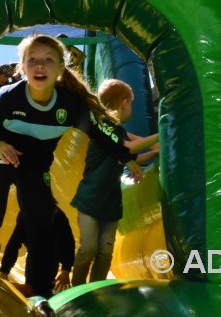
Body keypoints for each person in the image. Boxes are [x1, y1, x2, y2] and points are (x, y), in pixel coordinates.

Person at [0, 34, 142, 298]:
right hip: (4, 149)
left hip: (36, 163)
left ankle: (40, 287)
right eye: (33, 60)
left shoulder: (69, 106)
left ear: (61, 68)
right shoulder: (9, 97)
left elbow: (99, 132)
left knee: (41, 220)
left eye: (48, 60)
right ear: (23, 68)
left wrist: (125, 156)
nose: (40, 65)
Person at [70, 79, 159, 285]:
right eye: (132, 105)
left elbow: (131, 153)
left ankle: (96, 290)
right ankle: (77, 290)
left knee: (105, 252)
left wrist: (156, 150)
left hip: (110, 201)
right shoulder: (102, 126)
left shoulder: (117, 130)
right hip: (90, 199)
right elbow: (128, 148)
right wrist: (160, 133)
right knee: (89, 248)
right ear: (125, 102)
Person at [0, 206, 75, 296]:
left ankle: (5, 289)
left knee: (38, 291)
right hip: (35, 250)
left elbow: (68, 243)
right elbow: (14, 243)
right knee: (33, 290)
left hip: (50, 253)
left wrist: (66, 270)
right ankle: (3, 289)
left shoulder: (58, 217)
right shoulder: (25, 213)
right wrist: (4, 271)